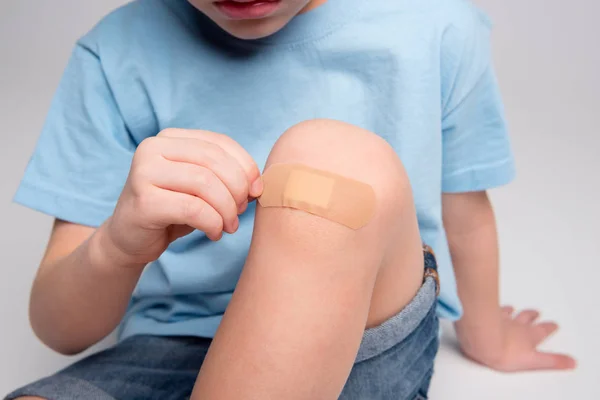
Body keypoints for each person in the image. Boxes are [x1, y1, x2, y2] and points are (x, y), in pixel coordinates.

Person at [6, 0, 576, 399]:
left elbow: (466, 214)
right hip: (168, 351)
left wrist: (486, 336)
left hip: (363, 344)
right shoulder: (116, 55)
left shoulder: (436, 26)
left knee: (329, 161)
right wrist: (116, 247)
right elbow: (60, 329)